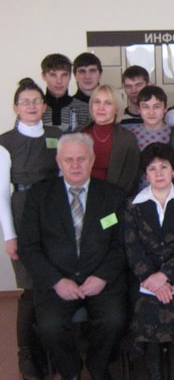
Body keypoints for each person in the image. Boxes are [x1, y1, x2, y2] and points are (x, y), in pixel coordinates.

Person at [19, 133, 128, 380]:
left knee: (115, 320)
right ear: (59, 162)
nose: (75, 165)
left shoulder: (113, 196)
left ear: (92, 160)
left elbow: (121, 244)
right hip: (57, 281)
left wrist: (102, 277)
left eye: (82, 159)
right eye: (69, 160)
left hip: (102, 280)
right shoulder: (39, 196)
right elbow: (29, 247)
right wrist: (56, 281)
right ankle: (70, 371)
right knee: (50, 326)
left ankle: (98, 365)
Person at [0, 79, 63, 380]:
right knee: (29, 287)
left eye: (36, 100)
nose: (31, 106)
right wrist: (9, 235)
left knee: (51, 285)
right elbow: (2, 193)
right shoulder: (6, 142)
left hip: (51, 212)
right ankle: (27, 355)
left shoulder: (56, 135)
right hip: (22, 212)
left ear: (44, 105)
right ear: (16, 107)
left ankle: (51, 352)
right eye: (25, 101)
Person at [122, 143, 174, 380]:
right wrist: (151, 279)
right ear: (146, 175)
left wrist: (165, 277)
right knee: (148, 307)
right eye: (152, 169)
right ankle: (154, 373)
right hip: (143, 277)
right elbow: (132, 247)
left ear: (173, 171)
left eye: (164, 167)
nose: (159, 173)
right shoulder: (133, 205)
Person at [82, 85, 140, 196]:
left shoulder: (128, 138)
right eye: (97, 102)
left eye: (108, 103)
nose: (101, 107)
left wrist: (115, 199)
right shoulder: (78, 134)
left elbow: (132, 177)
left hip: (115, 198)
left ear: (117, 108)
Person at [41, 53, 91, 132]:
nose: (59, 81)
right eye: (53, 75)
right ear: (44, 76)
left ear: (70, 76)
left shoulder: (85, 109)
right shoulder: (34, 108)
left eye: (64, 75)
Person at [129, 85, 172, 150]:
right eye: (145, 107)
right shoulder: (130, 134)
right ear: (139, 109)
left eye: (157, 106)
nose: (151, 112)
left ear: (165, 108)